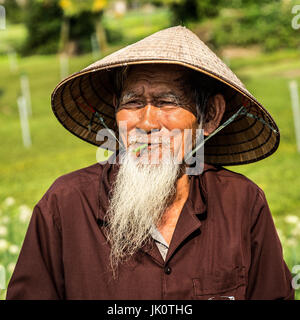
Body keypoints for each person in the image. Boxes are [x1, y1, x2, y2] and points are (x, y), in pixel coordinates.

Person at [6, 26, 294, 300]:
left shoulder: (241, 202)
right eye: (132, 102)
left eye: (166, 102)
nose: (146, 122)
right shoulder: (66, 204)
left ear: (210, 115)